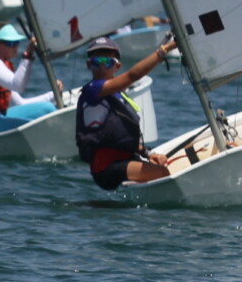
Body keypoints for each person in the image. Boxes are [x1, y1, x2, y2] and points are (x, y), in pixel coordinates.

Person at [76, 34, 178, 189]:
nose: (102, 67)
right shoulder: (92, 90)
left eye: (107, 62)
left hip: (126, 159)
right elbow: (132, 75)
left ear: (117, 66)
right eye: (96, 62)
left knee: (168, 167)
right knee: (162, 173)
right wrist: (165, 49)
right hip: (106, 167)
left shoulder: (118, 95)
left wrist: (149, 154)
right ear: (89, 65)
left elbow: (119, 138)